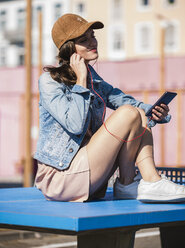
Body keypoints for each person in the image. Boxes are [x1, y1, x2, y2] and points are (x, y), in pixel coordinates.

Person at [34, 13, 185, 203]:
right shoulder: (50, 82)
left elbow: (127, 102)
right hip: (61, 176)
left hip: (89, 171)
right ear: (69, 49)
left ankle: (133, 183)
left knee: (139, 115)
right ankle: (150, 182)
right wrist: (81, 82)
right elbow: (74, 125)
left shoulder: (94, 80)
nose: (92, 42)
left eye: (93, 36)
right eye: (84, 39)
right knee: (130, 114)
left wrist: (155, 111)